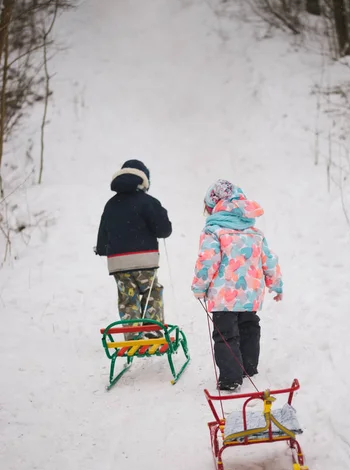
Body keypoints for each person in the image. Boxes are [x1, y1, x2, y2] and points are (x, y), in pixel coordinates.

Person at [191, 179, 282, 391]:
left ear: (213, 206)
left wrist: (199, 286)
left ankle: (231, 378)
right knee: (249, 327)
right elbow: (268, 259)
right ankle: (248, 367)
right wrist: (276, 284)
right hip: (250, 295)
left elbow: (207, 260)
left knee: (226, 334)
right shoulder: (255, 233)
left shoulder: (214, 231)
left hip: (224, 297)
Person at [95, 159, 172, 338]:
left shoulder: (111, 204)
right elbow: (163, 230)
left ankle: (132, 335)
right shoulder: (148, 202)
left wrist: (102, 249)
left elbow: (103, 233)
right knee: (151, 291)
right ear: (144, 181)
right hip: (144, 259)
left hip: (118, 263)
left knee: (127, 296)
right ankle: (152, 329)